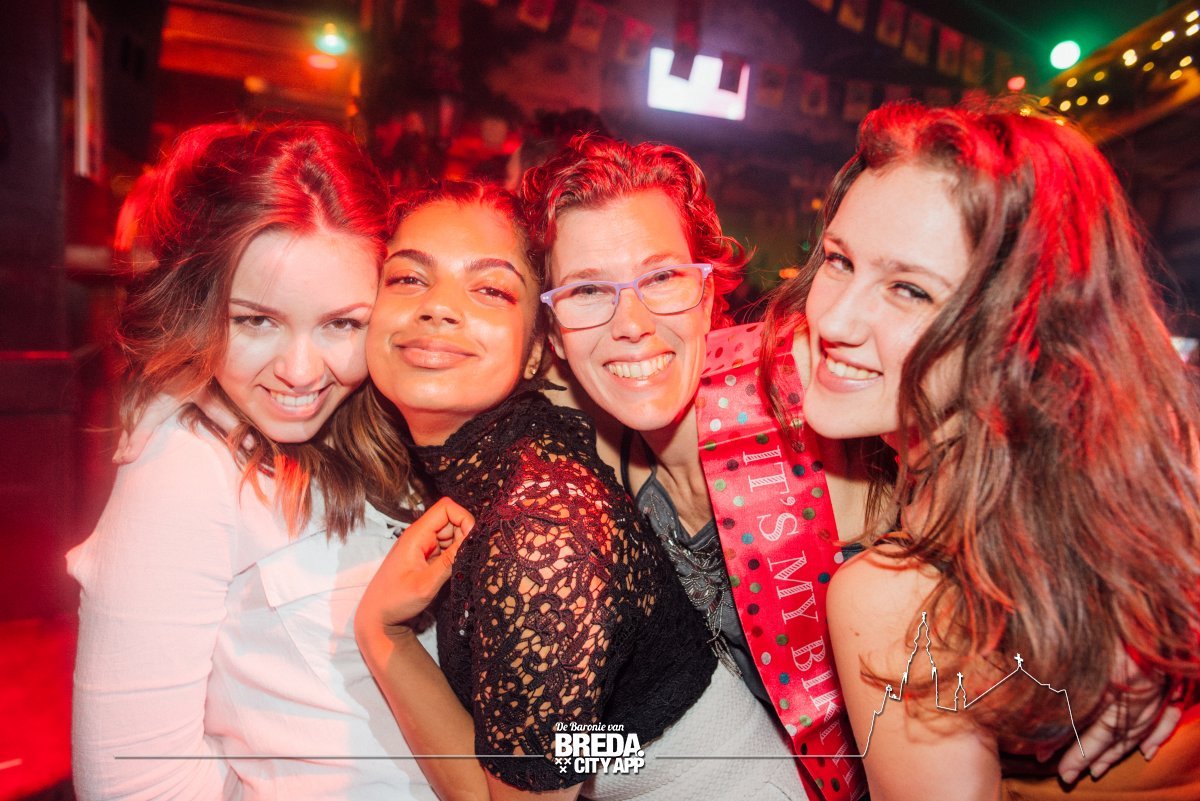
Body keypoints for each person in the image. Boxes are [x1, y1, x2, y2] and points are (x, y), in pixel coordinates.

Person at [758, 101, 1200, 799]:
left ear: (1022, 327)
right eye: (839, 260)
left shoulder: (898, 599)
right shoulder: (1156, 460)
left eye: (909, 289)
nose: (834, 317)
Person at [69, 121, 440, 801]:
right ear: (201, 305)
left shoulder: (393, 426)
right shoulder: (184, 468)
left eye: (341, 323)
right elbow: (132, 783)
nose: (300, 371)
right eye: (256, 321)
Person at [354, 181, 735, 800]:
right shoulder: (497, 457)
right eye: (408, 279)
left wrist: (382, 631)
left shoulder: (539, 532)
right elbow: (584, 748)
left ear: (537, 351)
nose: (438, 308)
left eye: (490, 289)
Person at [522, 136, 825, 797]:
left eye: (662, 278)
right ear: (552, 336)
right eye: (588, 290)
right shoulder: (597, 462)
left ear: (708, 293)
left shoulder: (808, 409)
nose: (631, 322)